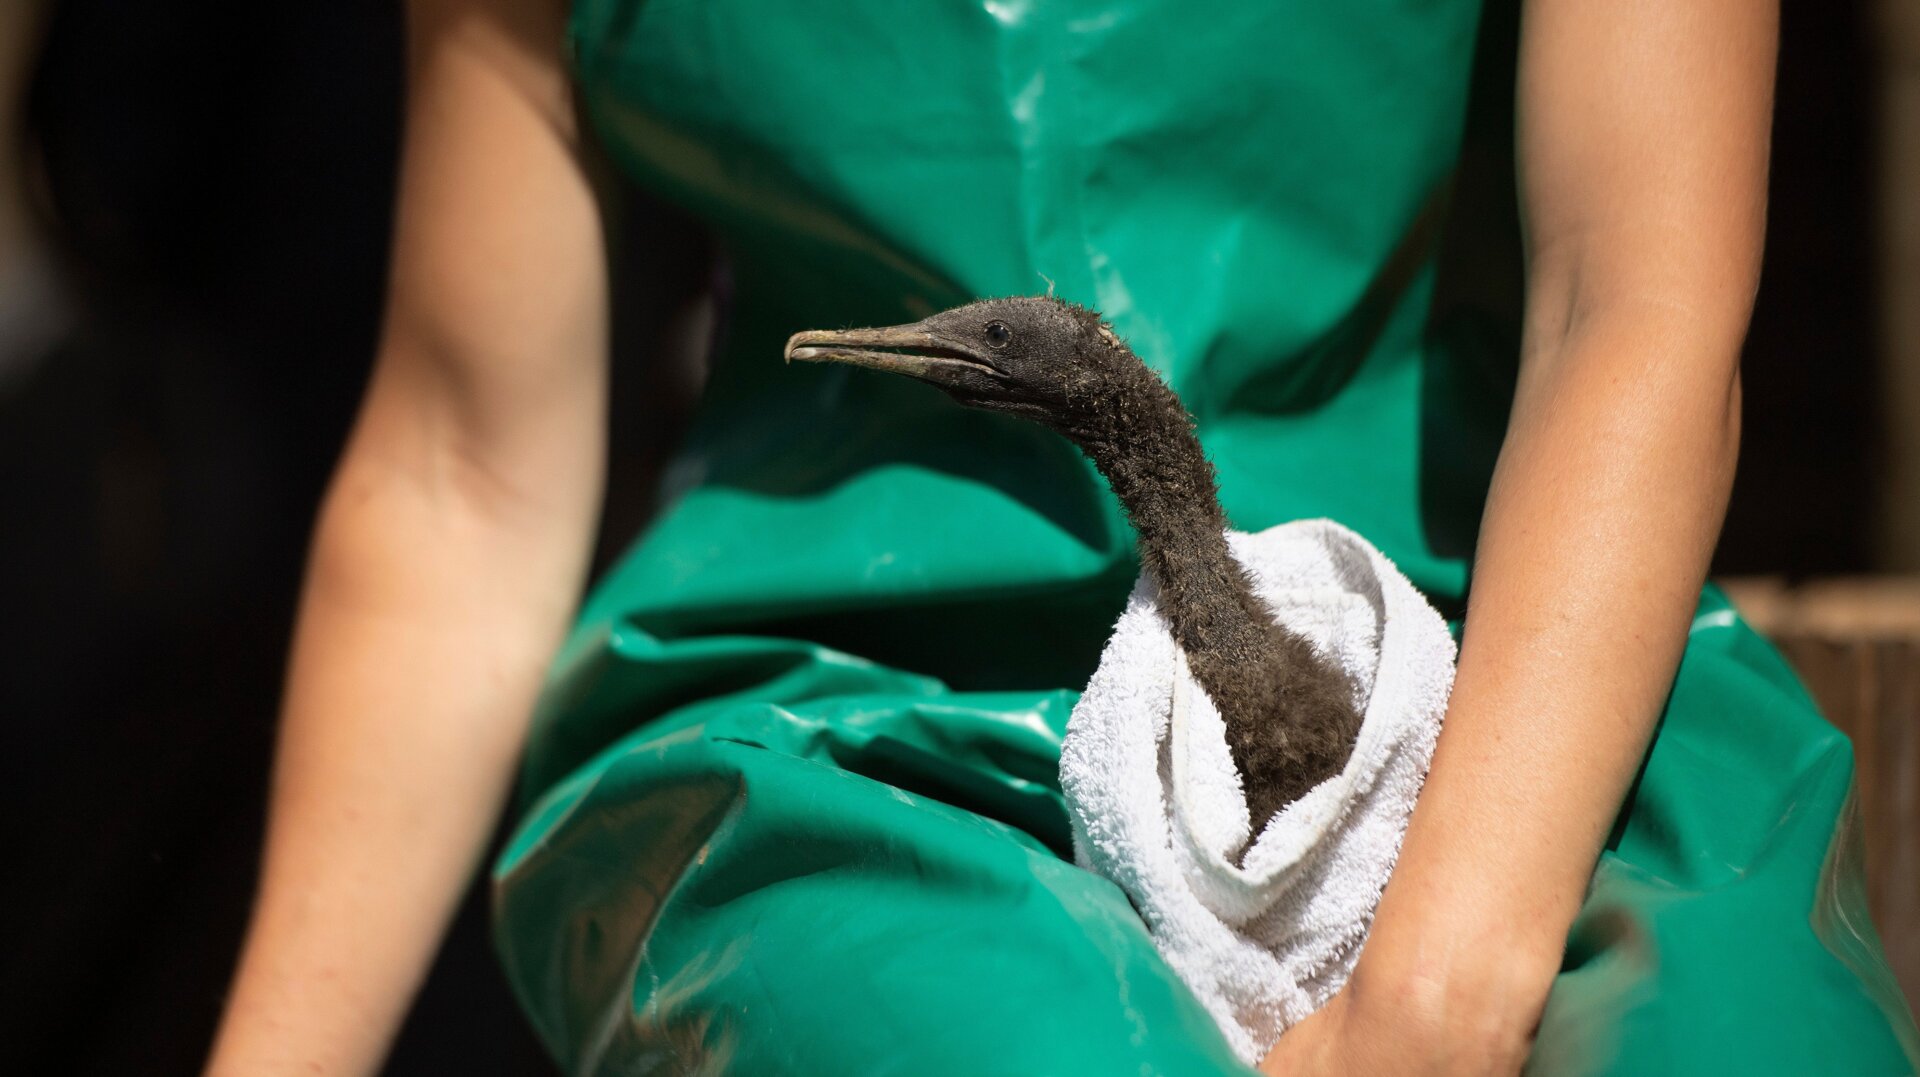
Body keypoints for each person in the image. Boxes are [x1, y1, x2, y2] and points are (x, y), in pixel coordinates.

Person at [206, 0, 1919, 1073]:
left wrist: (1437, 995)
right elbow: (463, 472)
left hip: (1501, 650)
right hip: (836, 722)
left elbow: (1637, 302)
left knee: (1744, 1042)